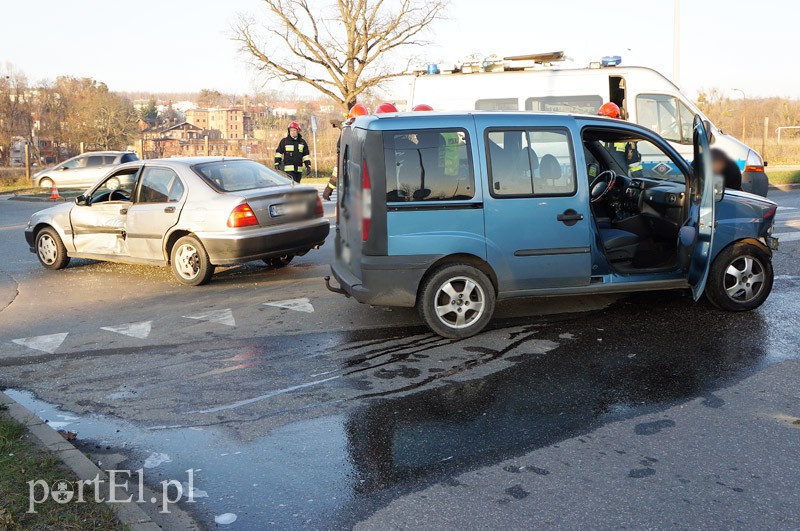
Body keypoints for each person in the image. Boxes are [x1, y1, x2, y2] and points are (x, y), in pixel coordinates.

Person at [598, 102, 643, 178]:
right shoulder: (595, 136)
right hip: (601, 180)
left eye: (605, 119)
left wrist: (639, 182)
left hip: (620, 181)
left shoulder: (625, 137)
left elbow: (634, 164)